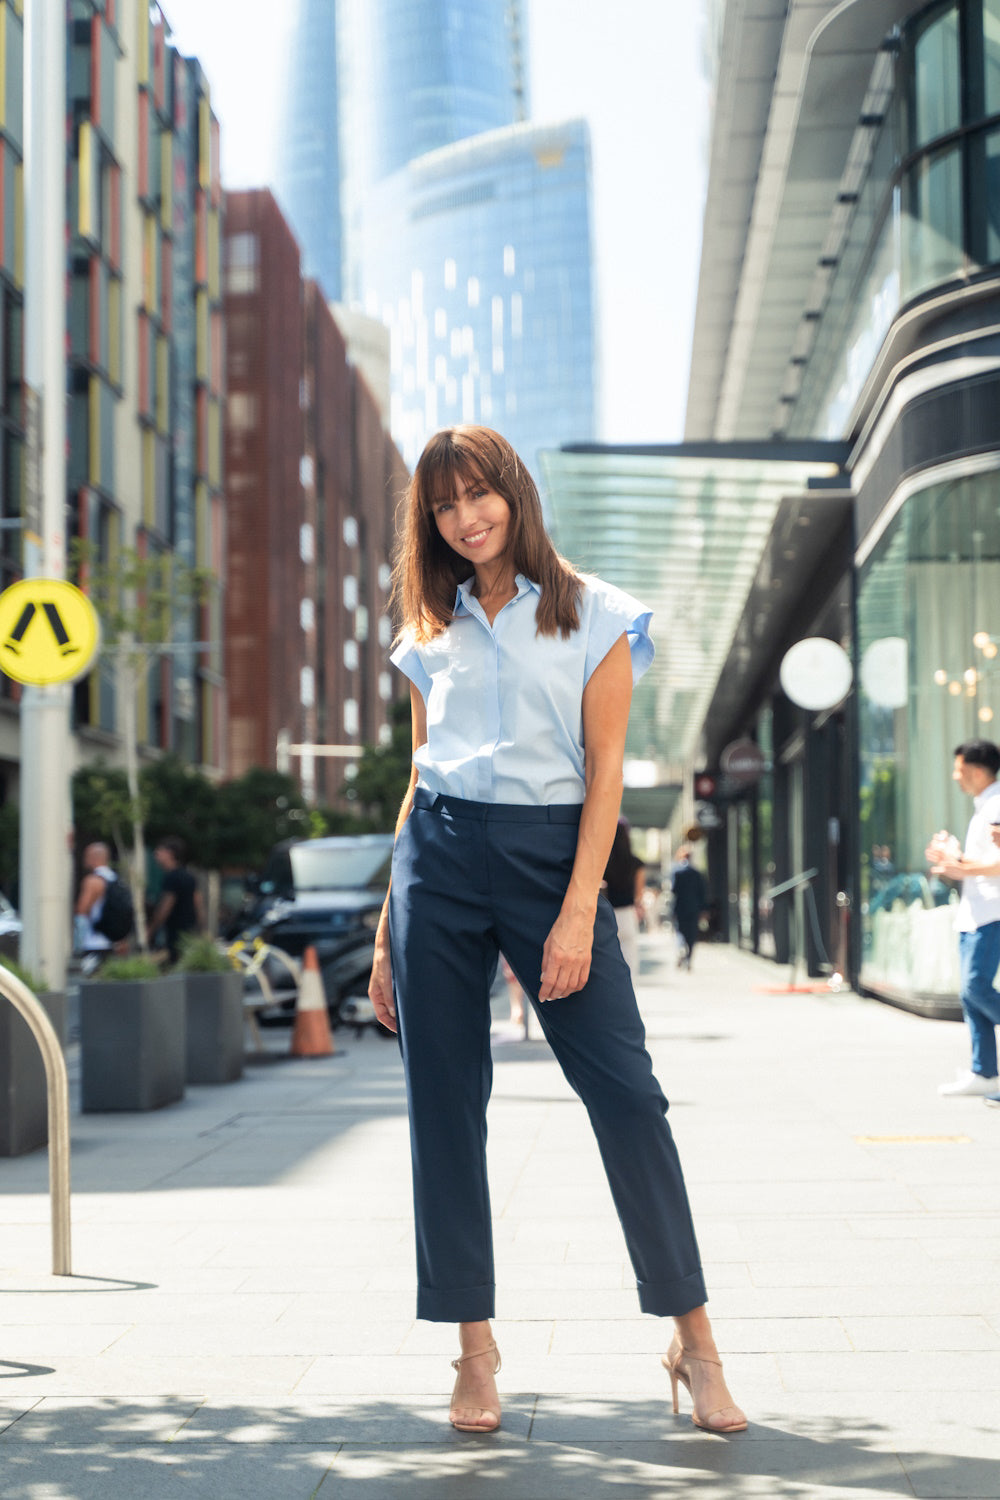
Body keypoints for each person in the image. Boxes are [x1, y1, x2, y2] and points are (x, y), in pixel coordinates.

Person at [368, 425, 746, 1437]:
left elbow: (607, 774)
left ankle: (694, 1342)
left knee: (627, 1098)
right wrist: (384, 929)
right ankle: (474, 1351)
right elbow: (417, 776)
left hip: (550, 861)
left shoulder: (595, 613)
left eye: (479, 494)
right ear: (429, 521)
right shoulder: (428, 628)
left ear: (515, 493)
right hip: (437, 865)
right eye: (444, 505)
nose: (466, 517)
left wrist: (579, 909)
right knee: (445, 1110)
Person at [925, 740, 1000, 1097]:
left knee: (975, 987)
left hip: (992, 912)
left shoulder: (997, 804)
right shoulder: (983, 806)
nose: (955, 777)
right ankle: (984, 1071)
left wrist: (959, 865)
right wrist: (954, 859)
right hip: (975, 913)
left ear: (975, 769)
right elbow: (979, 865)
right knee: (970, 996)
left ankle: (983, 1070)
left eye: (958, 769)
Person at [603, 817, 646, 981]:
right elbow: (639, 894)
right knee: (630, 960)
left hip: (605, 916)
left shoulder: (603, 863)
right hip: (627, 915)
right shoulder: (636, 863)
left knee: (605, 960)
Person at [149, 836, 202, 964]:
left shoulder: (172, 878)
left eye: (160, 850)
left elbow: (165, 907)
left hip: (174, 933)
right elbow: (198, 903)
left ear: (170, 853)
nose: (156, 854)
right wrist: (201, 928)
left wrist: (151, 930)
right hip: (188, 931)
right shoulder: (189, 876)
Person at [74, 841, 117, 972]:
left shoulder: (92, 881)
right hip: (112, 940)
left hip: (94, 941)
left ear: (93, 858)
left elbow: (82, 909)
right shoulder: (114, 879)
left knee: (91, 979)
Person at [671, 845, 708, 971]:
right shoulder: (696, 873)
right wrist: (703, 909)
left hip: (680, 907)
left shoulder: (676, 872)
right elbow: (702, 893)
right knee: (691, 934)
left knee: (680, 931)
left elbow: (673, 890)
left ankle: (681, 948)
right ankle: (689, 959)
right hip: (693, 908)